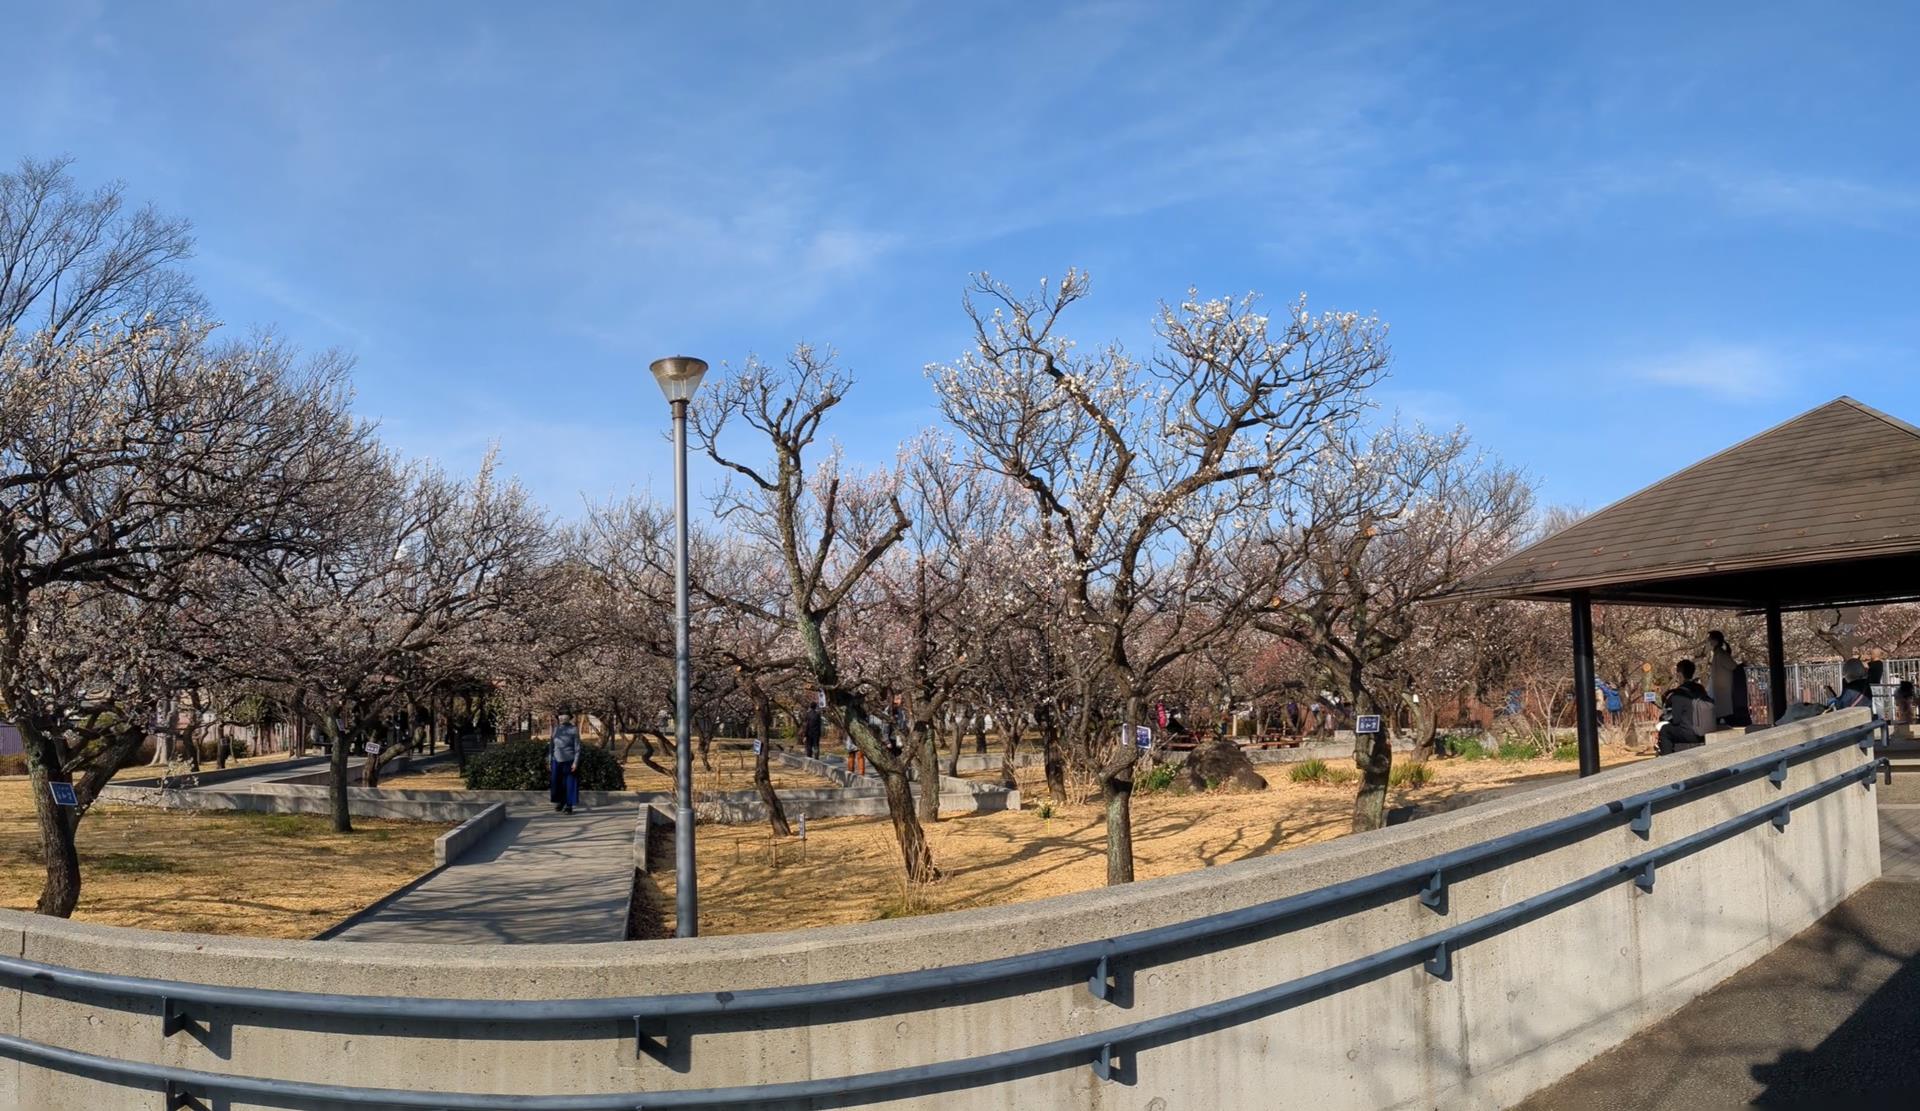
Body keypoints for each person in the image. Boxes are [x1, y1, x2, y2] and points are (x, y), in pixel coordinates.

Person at [1657, 659, 1712, 755]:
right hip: (1706, 730)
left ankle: (1666, 762)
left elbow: (1676, 720)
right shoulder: (1700, 688)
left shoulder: (1679, 693)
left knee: (1665, 730)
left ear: (1679, 674)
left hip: (1690, 734)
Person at [549, 711, 581, 814]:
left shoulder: (573, 729)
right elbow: (551, 746)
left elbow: (577, 747)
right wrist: (550, 759)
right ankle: (560, 802)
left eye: (564, 717)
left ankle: (569, 805)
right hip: (556, 760)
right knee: (557, 783)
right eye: (560, 717)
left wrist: (575, 762)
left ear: (569, 718)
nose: (562, 718)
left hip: (569, 760)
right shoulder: (556, 729)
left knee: (569, 784)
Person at [1706, 631, 1738, 727]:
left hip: (1723, 689)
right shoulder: (1718, 654)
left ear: (1715, 640)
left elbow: (1733, 666)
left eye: (1710, 639)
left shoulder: (1721, 654)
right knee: (1723, 713)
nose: (1709, 641)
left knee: (1724, 713)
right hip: (1721, 689)